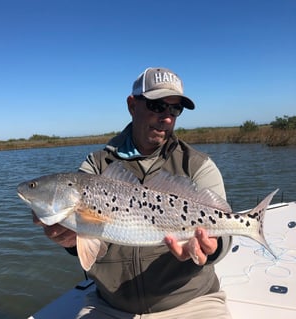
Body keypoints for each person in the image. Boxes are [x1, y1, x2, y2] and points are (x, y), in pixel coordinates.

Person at [34, 67, 232, 318]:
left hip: (191, 301)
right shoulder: (94, 167)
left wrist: (210, 247)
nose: (167, 118)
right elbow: (88, 240)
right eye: (158, 106)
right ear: (132, 105)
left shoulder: (198, 165)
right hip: (110, 306)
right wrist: (68, 240)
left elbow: (226, 224)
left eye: (175, 109)